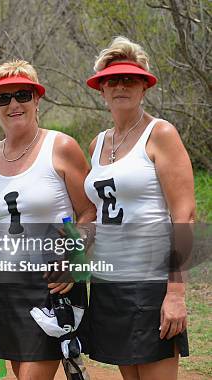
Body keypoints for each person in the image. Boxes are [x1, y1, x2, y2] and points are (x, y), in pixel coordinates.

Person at [0, 59, 96, 380]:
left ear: (37, 100)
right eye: (3, 98)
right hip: (6, 284)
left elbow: (89, 211)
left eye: (23, 95)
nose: (14, 104)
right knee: (20, 373)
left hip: (52, 282)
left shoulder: (60, 147)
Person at [83, 36, 193, 380]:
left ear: (144, 86)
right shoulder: (97, 142)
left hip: (150, 283)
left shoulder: (161, 134)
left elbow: (184, 215)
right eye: (112, 80)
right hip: (108, 283)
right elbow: (96, 213)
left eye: (130, 79)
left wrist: (175, 292)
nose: (120, 86)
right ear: (101, 90)